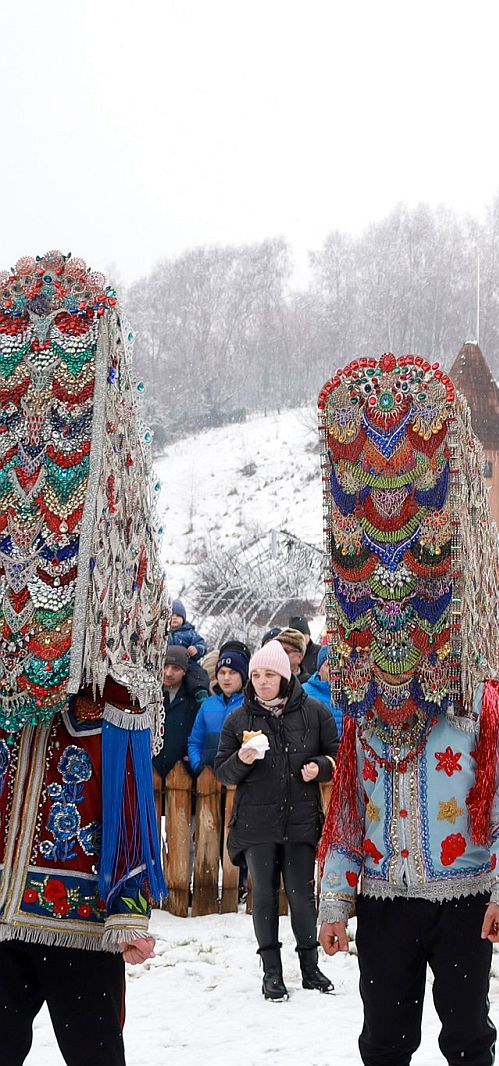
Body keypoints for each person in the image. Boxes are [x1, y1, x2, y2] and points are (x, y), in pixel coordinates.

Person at [314, 353, 499, 1066]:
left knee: (467, 1040)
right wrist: (335, 901)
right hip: (384, 900)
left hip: (464, 898)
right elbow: (348, 816)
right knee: (383, 1041)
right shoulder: (363, 713)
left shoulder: (476, 705)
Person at [0, 252, 166, 1066]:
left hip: (76, 918)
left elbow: (129, 795)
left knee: (94, 1052)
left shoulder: (110, 690)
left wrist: (128, 910)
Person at [215, 640, 338, 1001]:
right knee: (265, 897)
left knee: (301, 896)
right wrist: (242, 759)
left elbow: (337, 755)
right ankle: (271, 972)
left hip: (300, 820)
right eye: (256, 675)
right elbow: (223, 772)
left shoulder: (315, 712)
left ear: (285, 676)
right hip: (257, 823)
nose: (262, 681)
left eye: (269, 674)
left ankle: (310, 967)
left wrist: (320, 768)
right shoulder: (239, 719)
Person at [188, 643, 249, 772]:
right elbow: (195, 742)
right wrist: (197, 765)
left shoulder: (250, 705)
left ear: (243, 675)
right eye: (222, 672)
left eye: (232, 672)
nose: (226, 678)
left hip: (238, 778)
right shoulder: (207, 704)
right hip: (207, 776)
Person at [154, 645, 210, 776]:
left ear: (185, 671)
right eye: (165, 666)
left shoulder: (195, 698)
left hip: (184, 773)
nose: (168, 673)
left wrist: (197, 756)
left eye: (176, 668)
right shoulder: (149, 695)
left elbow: (205, 730)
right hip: (151, 768)